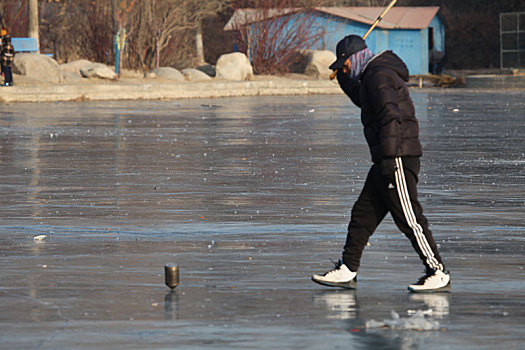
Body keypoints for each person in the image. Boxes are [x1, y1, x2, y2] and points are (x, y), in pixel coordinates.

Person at [311, 35, 450, 292]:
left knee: (409, 217)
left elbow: (390, 115)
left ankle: (437, 271)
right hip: (388, 156)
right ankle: (348, 268)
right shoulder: (371, 75)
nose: (345, 68)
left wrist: (389, 158)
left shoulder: (378, 76)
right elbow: (364, 99)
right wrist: (342, 77)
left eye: (345, 64)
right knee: (363, 214)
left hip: (396, 155)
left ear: (356, 57)